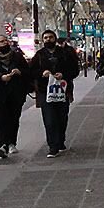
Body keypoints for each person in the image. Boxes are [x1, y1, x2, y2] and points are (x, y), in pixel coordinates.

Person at [0, 34, 30, 158]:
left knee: (13, 119)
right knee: (2, 120)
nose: (5, 43)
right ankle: (2, 145)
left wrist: (20, 72)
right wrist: (0, 78)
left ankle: (12, 142)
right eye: (2, 42)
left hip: (15, 95)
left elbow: (28, 72)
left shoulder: (17, 57)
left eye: (6, 41)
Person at [30, 30, 78, 158]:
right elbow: (31, 72)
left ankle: (60, 140)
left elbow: (75, 70)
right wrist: (42, 73)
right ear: (42, 40)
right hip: (45, 92)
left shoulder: (65, 53)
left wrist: (64, 75)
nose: (48, 39)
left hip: (63, 91)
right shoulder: (39, 55)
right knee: (50, 119)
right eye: (45, 38)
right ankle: (53, 146)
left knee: (62, 118)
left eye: (51, 37)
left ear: (55, 39)